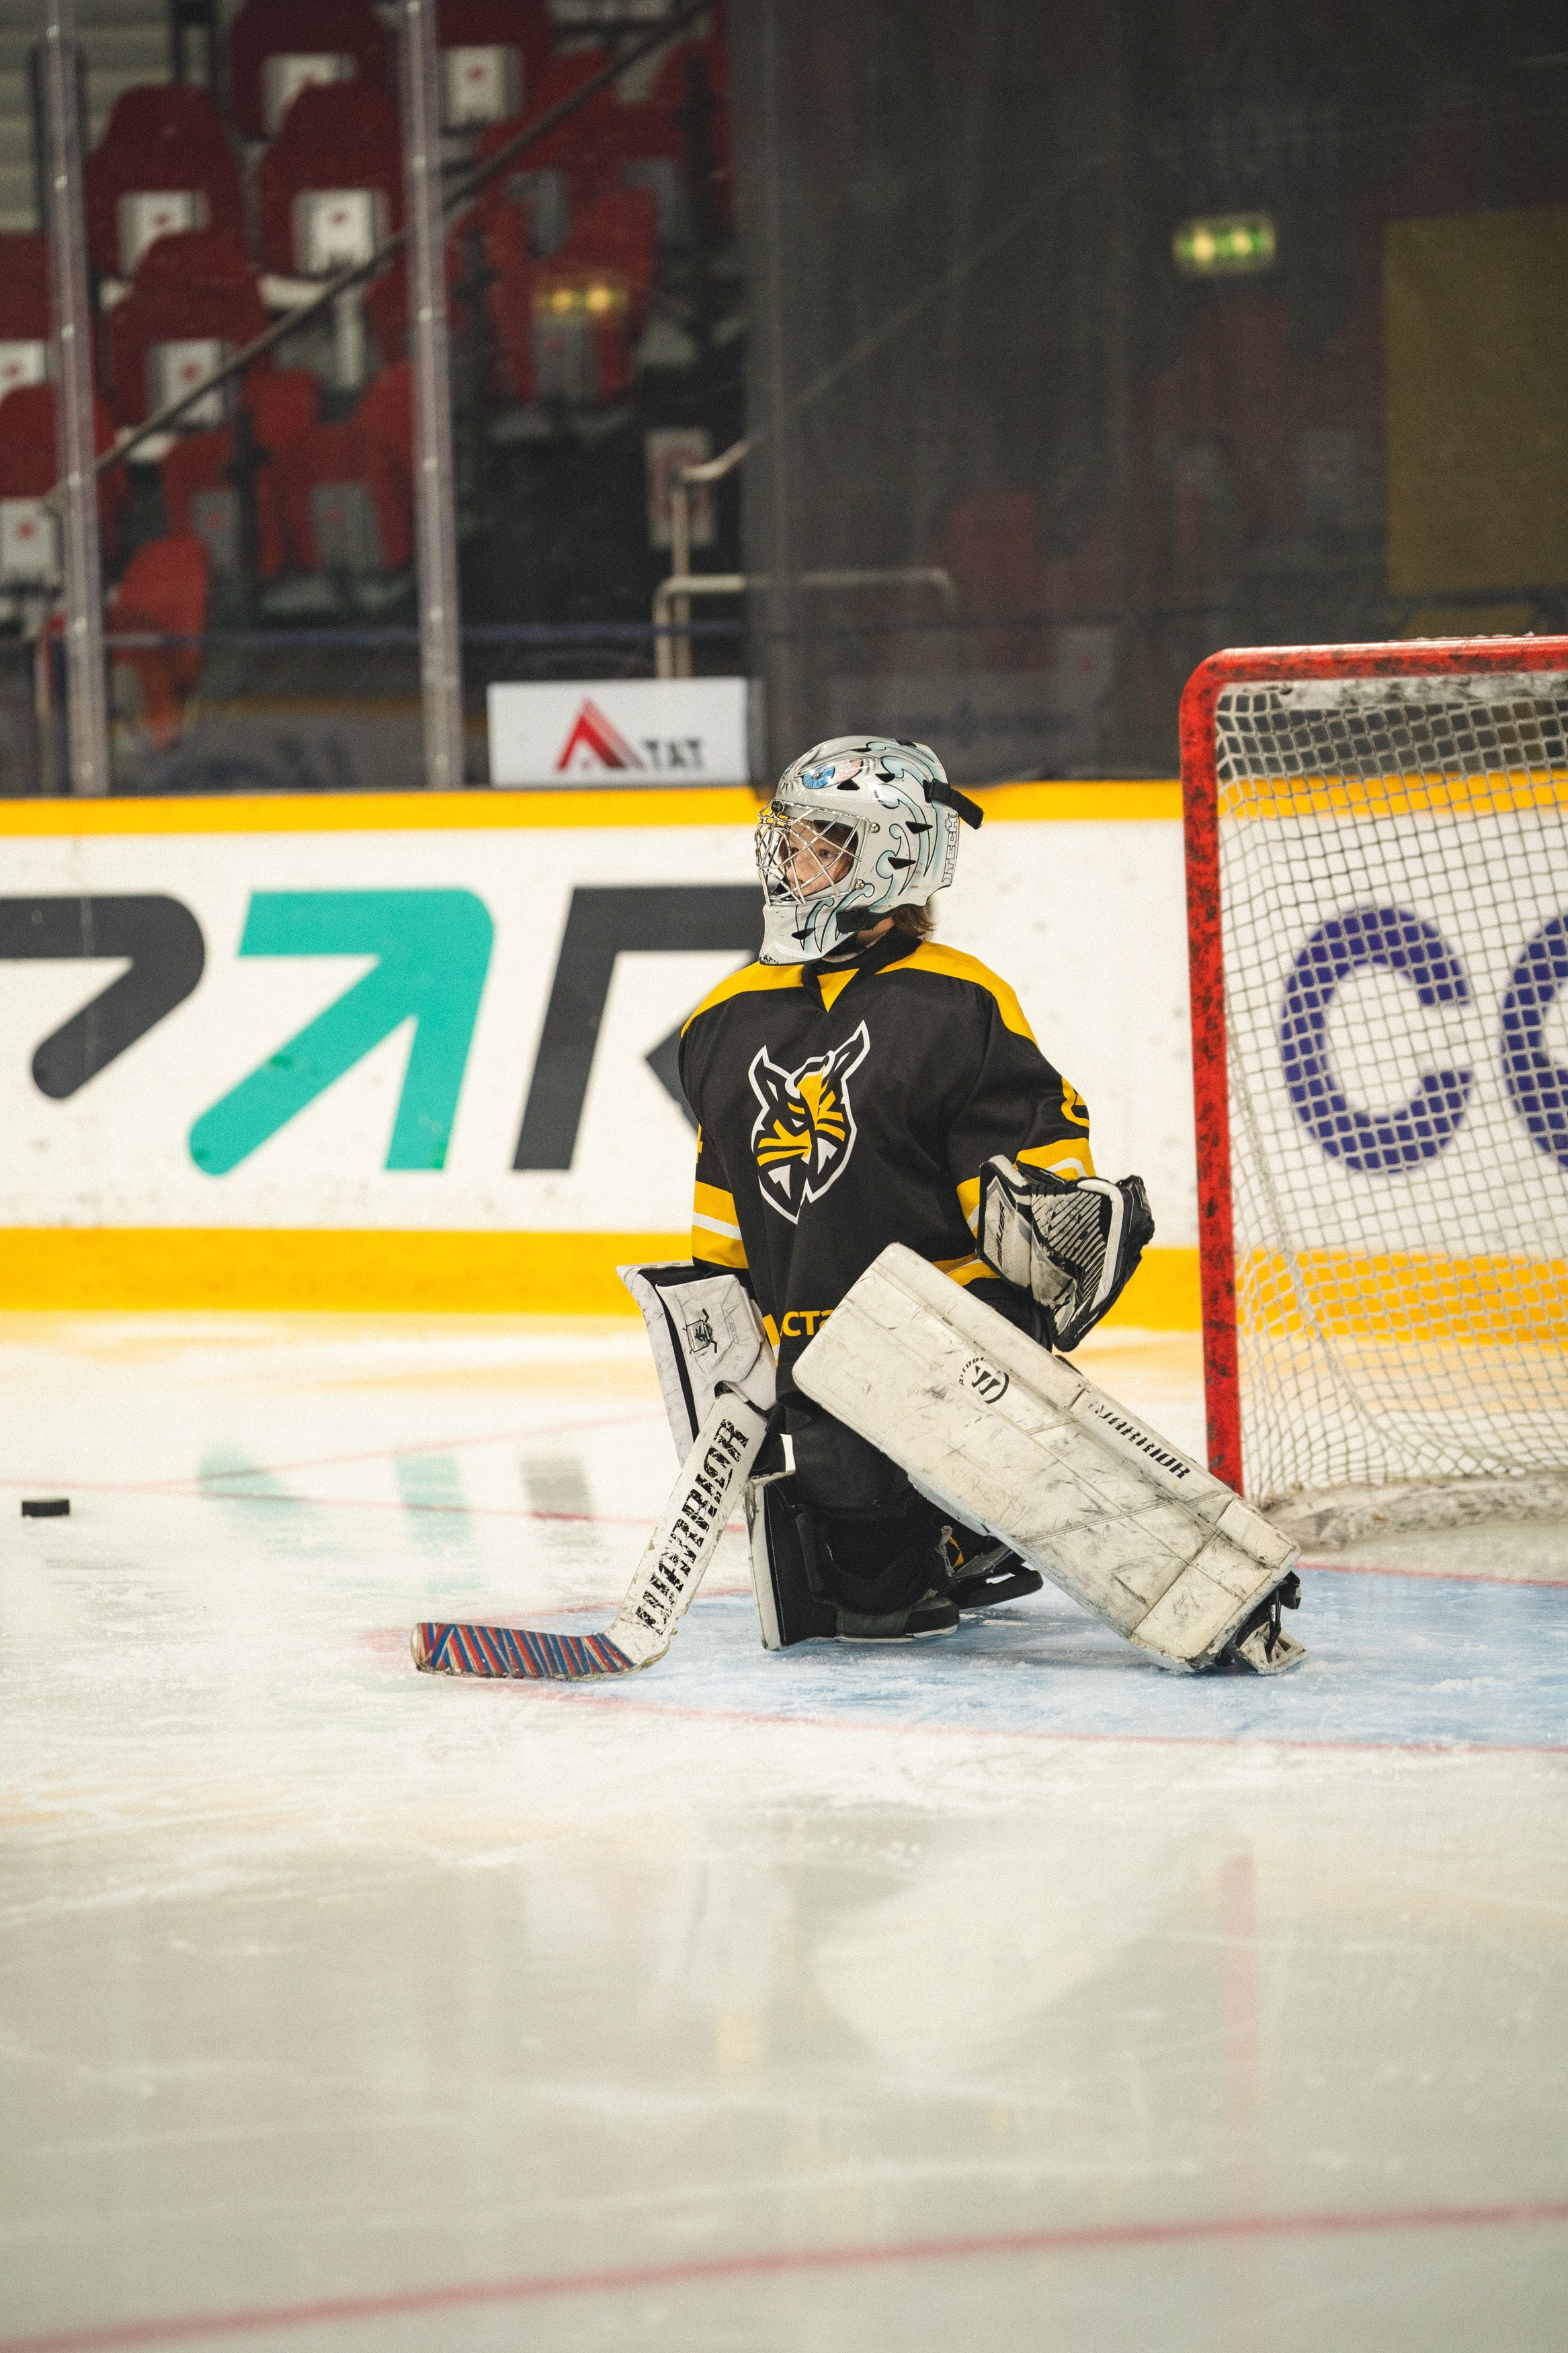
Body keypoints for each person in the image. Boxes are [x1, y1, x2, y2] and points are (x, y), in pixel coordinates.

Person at [678, 733, 1145, 1645]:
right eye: (790, 840)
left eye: (824, 844)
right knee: (874, 1607)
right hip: (815, 1364)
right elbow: (722, 1213)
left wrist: (1061, 1243)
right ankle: (937, 1542)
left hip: (944, 1348)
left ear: (892, 860)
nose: (793, 861)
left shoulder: (956, 1002)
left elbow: (1031, 1202)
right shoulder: (718, 1020)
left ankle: (971, 1521)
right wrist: (723, 1362)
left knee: (916, 1548)